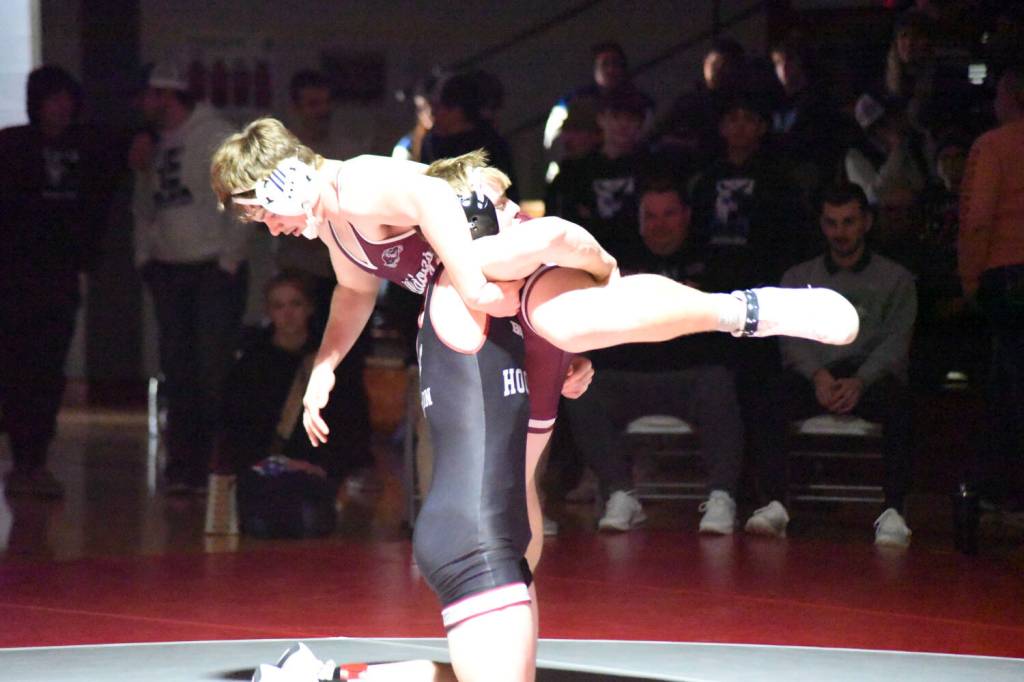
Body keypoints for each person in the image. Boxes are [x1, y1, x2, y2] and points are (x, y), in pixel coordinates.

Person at [210, 119, 859, 682]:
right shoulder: (341, 233)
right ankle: (414, 643)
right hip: (501, 337)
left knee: (555, 311)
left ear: (280, 176)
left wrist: (474, 273)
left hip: (505, 294)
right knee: (514, 498)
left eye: (258, 208)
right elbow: (353, 295)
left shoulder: (359, 183)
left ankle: (747, 310)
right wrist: (324, 366)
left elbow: (436, 194)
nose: (267, 225)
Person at [561, 181, 745, 534]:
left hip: (691, 377)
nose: (660, 224)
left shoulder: (712, 259)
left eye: (669, 214)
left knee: (720, 380)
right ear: (639, 219)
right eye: (651, 216)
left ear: (686, 217)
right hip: (627, 377)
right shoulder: (614, 262)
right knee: (579, 386)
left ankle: (723, 497)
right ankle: (620, 493)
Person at [744, 182, 917, 547]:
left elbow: (896, 341)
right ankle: (774, 502)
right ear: (822, 226)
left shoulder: (897, 278)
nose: (841, 232)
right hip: (815, 376)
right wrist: (818, 376)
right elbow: (788, 337)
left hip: (868, 377)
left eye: (849, 221)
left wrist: (861, 380)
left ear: (866, 222)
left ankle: (894, 511)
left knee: (903, 404)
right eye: (832, 223)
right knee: (770, 397)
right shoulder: (797, 277)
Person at [131, 58, 251, 493]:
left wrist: (228, 262)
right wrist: (145, 256)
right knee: (179, 370)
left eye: (147, 95)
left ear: (165, 94)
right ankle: (185, 465)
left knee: (210, 371)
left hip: (210, 269)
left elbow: (242, 197)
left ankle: (216, 463)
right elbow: (145, 206)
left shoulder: (215, 136)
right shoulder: (155, 143)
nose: (141, 104)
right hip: (170, 269)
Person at [0, 66, 116, 498]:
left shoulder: (87, 146)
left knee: (49, 371)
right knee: (16, 370)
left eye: (68, 97)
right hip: (12, 277)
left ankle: (37, 460)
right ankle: (23, 460)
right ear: (37, 102)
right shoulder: (12, 145)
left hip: (60, 277)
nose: (62, 106)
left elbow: (122, 147)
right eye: (53, 98)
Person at [221, 272, 359, 538]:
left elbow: (350, 420)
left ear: (309, 308)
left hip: (316, 470)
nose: (288, 314)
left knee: (310, 522)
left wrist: (325, 466)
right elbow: (234, 422)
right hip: (263, 469)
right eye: (279, 306)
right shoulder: (250, 365)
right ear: (269, 312)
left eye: (295, 304)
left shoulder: (330, 362)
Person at [957, 65, 1024, 522]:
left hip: (1009, 275)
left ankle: (995, 488)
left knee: (1011, 387)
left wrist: (970, 279)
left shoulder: (993, 146)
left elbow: (978, 218)